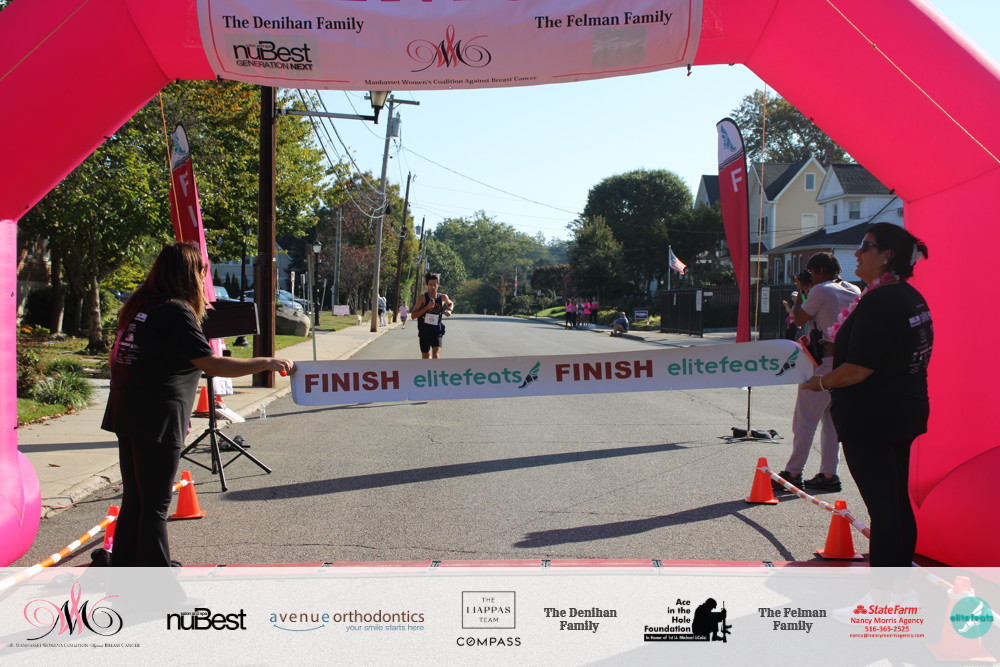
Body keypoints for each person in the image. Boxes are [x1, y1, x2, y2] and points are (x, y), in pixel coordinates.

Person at [101, 242, 295, 567]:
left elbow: (116, 357)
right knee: (155, 504)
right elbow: (212, 365)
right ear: (192, 273)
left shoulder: (140, 306)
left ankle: (125, 564)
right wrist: (266, 362)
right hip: (158, 414)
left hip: (127, 408)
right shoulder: (176, 311)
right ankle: (155, 580)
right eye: (203, 272)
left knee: (136, 498)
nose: (205, 278)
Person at [801, 223, 932, 567]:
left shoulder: (879, 301)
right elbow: (888, 348)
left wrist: (820, 383)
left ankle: (886, 589)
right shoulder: (908, 296)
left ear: (887, 255)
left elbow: (858, 370)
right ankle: (899, 582)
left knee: (884, 509)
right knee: (895, 503)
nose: (857, 253)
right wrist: (832, 347)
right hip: (901, 411)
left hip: (873, 419)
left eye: (866, 246)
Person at [773, 253, 860, 494]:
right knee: (831, 423)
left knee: (805, 421)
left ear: (820, 271)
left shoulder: (821, 290)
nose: (810, 277)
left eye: (811, 273)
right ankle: (829, 474)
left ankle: (793, 473)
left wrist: (802, 292)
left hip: (820, 362)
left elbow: (798, 319)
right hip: (843, 363)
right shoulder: (853, 289)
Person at [412, 272, 454, 359]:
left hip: (437, 331)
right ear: (427, 285)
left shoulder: (443, 297)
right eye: (430, 285)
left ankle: (435, 367)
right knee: (425, 356)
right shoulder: (422, 298)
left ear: (438, 284)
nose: (433, 287)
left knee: (436, 356)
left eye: (435, 285)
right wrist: (427, 307)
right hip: (424, 331)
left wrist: (449, 310)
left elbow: (450, 303)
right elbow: (413, 316)